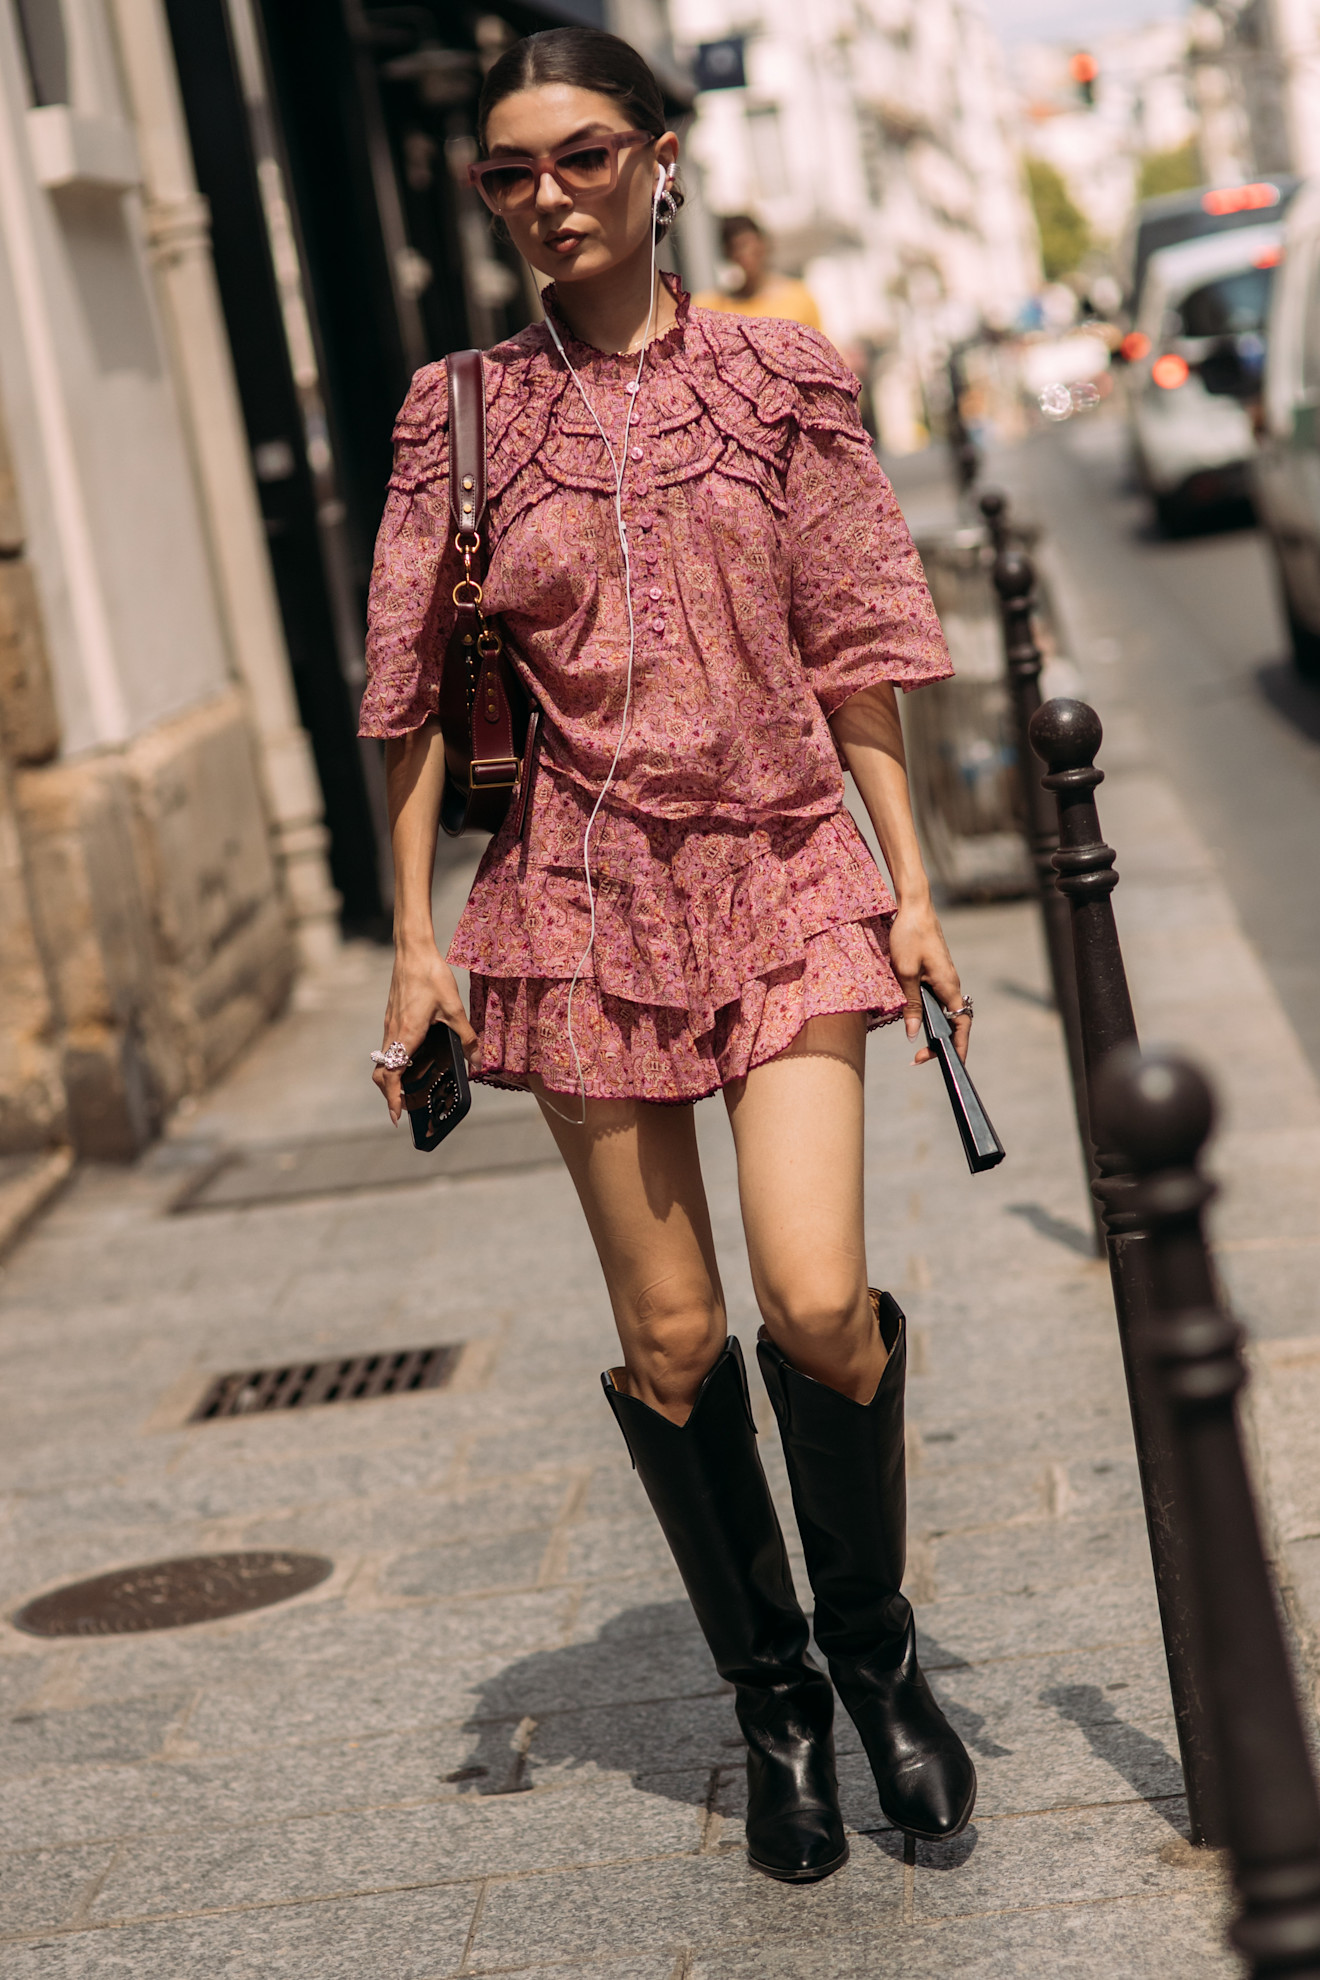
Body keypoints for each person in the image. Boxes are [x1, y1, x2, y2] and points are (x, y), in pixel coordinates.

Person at [361, 24, 976, 1884]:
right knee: (681, 1338)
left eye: (583, 157)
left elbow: (857, 643)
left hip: (788, 865)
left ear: (662, 158)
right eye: (510, 174)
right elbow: (401, 704)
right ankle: (775, 1697)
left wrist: (917, 886)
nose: (548, 197)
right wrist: (412, 949)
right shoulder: (454, 411)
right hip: (580, 899)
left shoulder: (783, 381)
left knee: (814, 1304)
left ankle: (880, 1668)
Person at [695, 213, 823, 329]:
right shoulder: (712, 306)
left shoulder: (798, 298)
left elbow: (821, 348)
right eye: (736, 248)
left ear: (763, 246)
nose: (743, 255)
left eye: (747, 246)